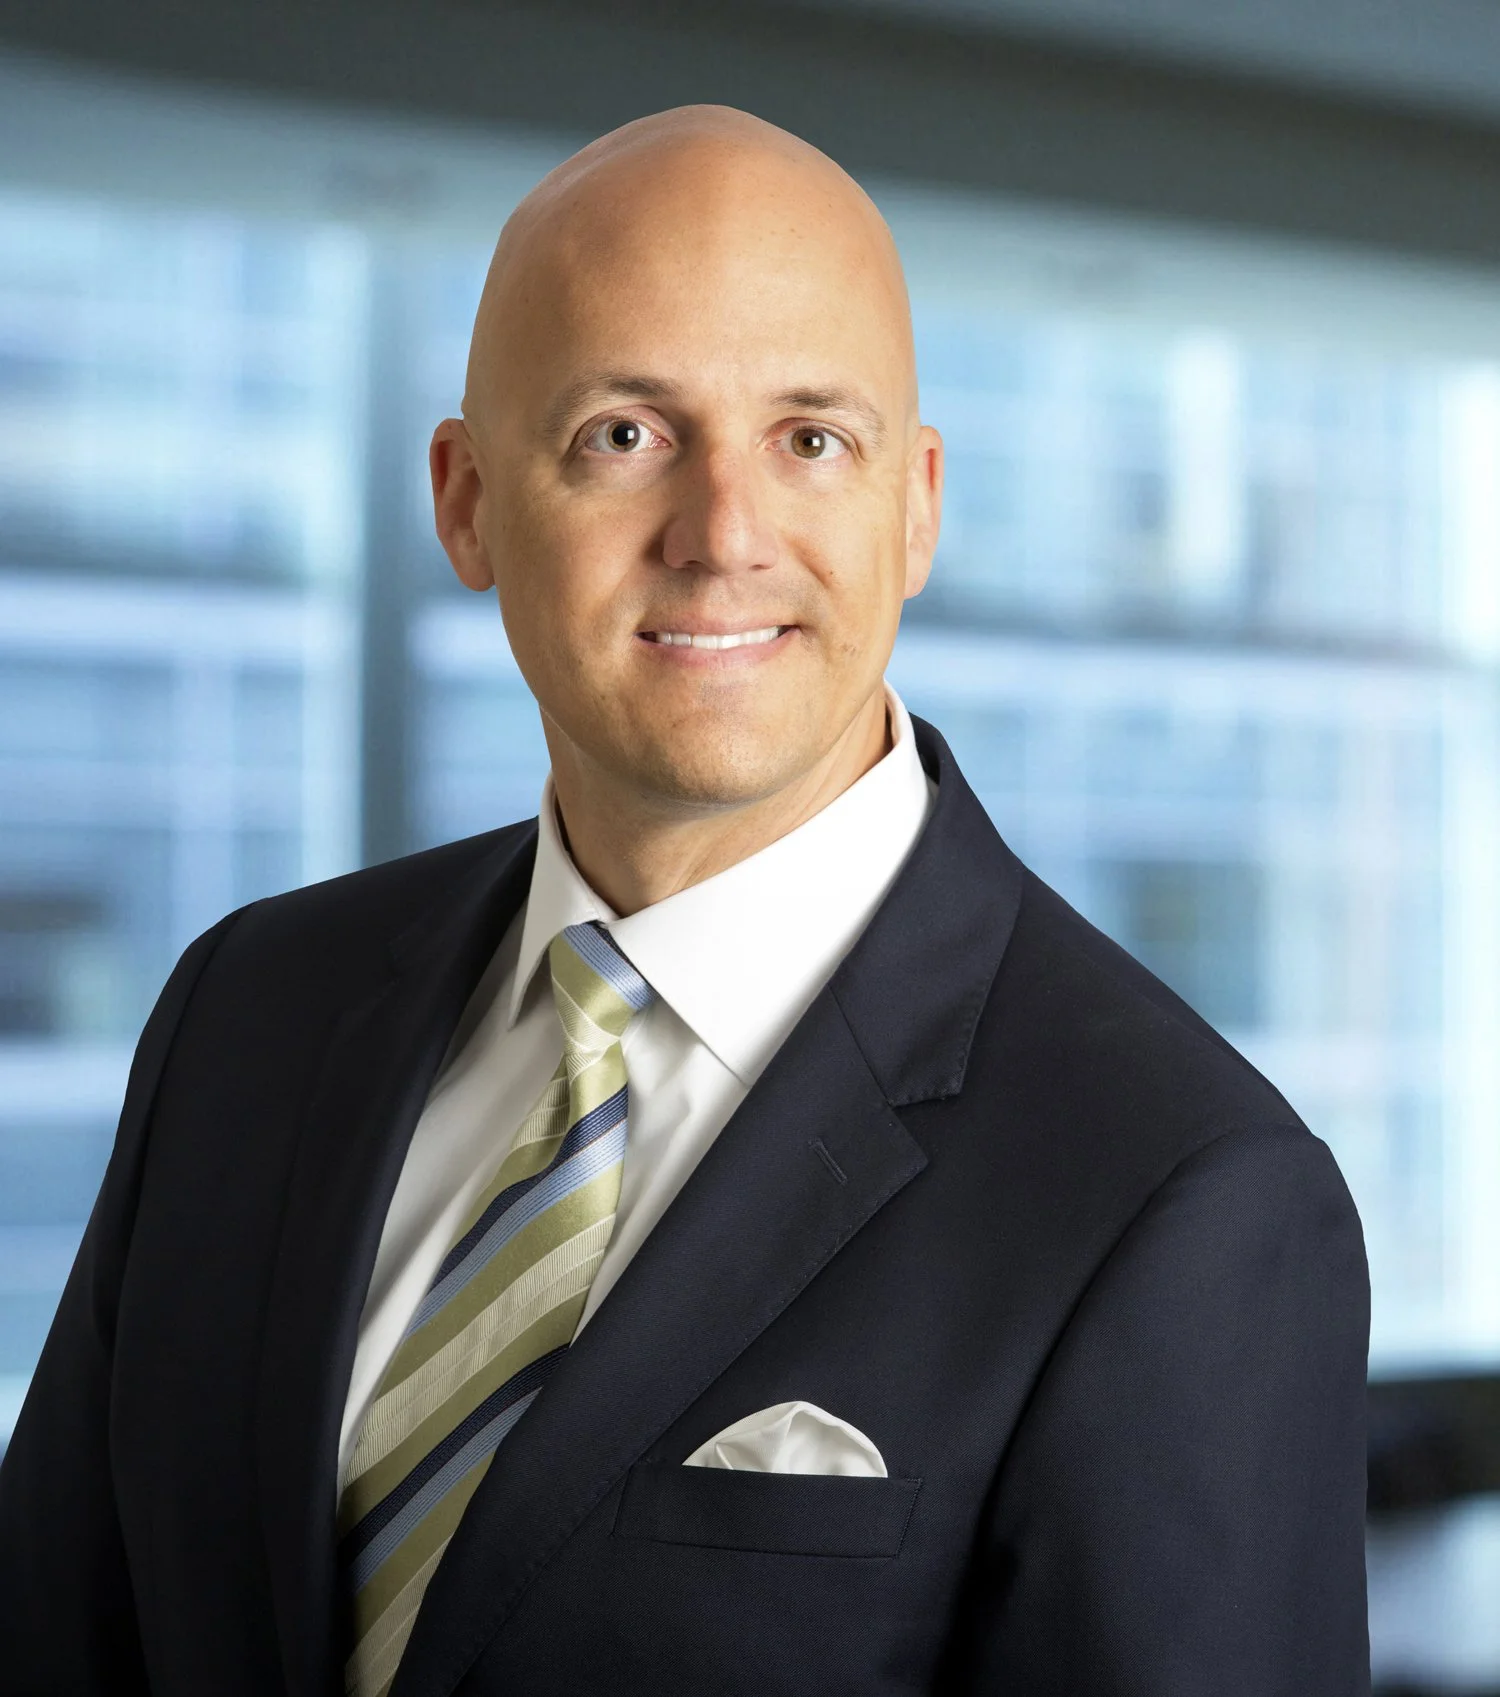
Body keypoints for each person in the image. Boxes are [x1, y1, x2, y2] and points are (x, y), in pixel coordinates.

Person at [0, 106, 1370, 1697]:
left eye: (811, 440)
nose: (723, 537)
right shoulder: (248, 1010)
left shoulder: (1180, 1194)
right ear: (466, 501)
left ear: (917, 507)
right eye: (625, 435)